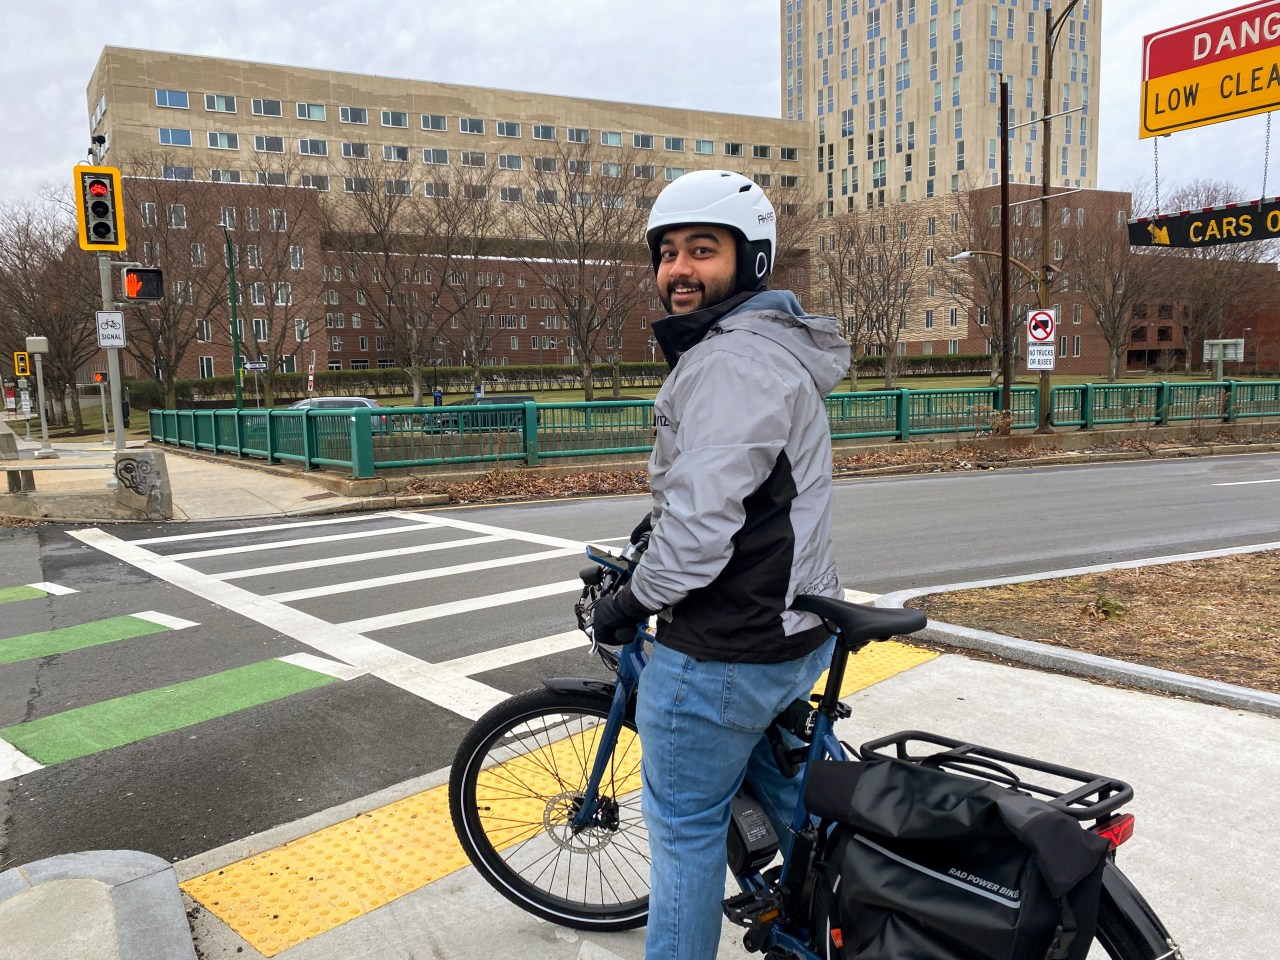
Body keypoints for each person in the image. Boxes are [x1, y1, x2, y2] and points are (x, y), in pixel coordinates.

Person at [589, 169, 851, 960]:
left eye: (702, 250)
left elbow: (700, 533)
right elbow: (735, 484)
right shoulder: (774, 349)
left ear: (754, 260)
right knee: (801, 796)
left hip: (724, 650)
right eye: (667, 253)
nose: (678, 270)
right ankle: (813, 905)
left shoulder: (730, 361)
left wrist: (632, 600)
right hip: (796, 630)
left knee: (683, 831)